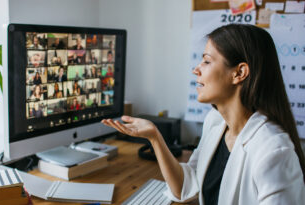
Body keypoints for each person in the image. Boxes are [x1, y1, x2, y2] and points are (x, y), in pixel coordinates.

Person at [102, 24, 305, 205]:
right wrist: (154, 137)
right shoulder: (215, 122)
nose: (196, 69)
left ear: (239, 73)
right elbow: (186, 187)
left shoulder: (273, 151)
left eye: (207, 61)